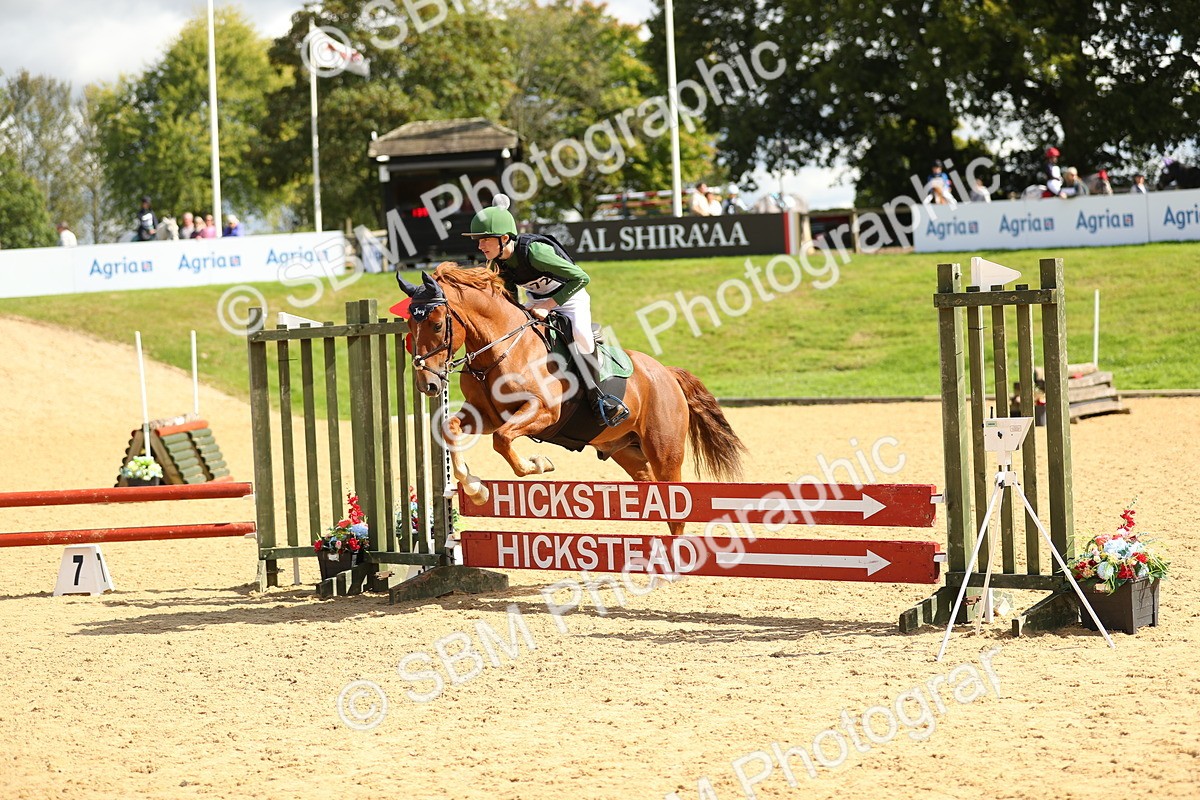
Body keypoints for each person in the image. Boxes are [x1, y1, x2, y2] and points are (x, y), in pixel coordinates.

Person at [463, 196, 628, 427]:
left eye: (484, 240)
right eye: (478, 241)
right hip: (536, 302)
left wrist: (548, 305)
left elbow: (581, 278)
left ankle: (600, 398)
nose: (480, 246)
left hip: (570, 297)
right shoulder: (499, 261)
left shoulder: (535, 252)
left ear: (503, 238)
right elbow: (510, 296)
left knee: (581, 336)